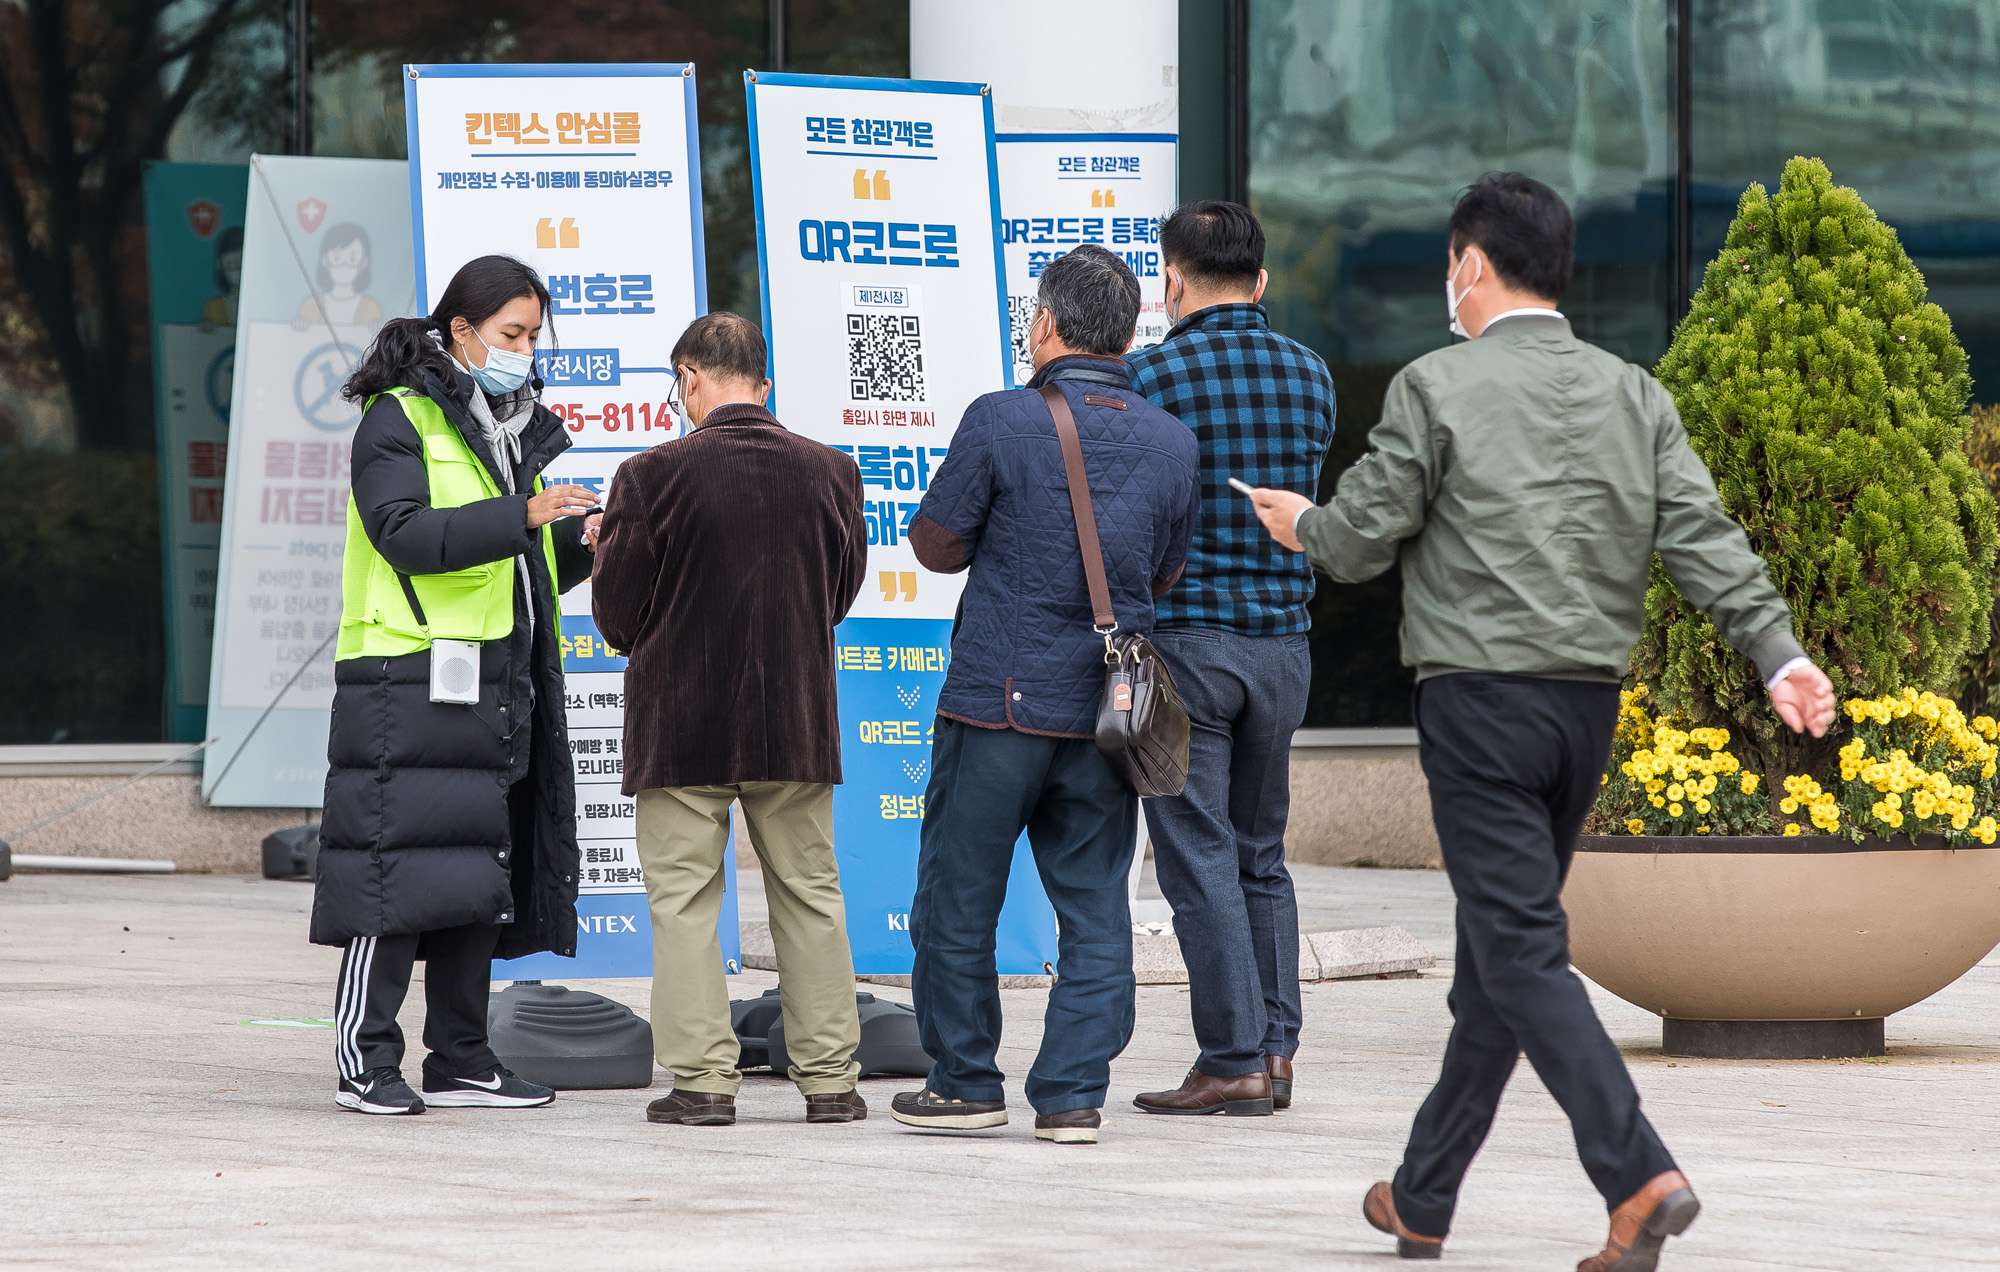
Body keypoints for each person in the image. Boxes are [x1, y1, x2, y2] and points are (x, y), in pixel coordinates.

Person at [1246, 174, 1836, 1269]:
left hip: (1477, 702)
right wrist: (1778, 652)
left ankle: (1636, 1175)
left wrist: (1302, 524)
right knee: (1493, 968)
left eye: (1446, 266)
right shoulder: (1631, 394)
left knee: (1517, 952)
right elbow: (1702, 537)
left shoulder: (1433, 385)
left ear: (1470, 265)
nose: (1444, 285)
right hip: (1583, 710)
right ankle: (1420, 1200)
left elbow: (1359, 541)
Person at [895, 244, 1201, 1146]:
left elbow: (936, 546)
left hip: (997, 704)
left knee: (959, 902)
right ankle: (1071, 1095)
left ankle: (964, 1083)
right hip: (1110, 716)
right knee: (1096, 910)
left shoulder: (1000, 418)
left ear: (1048, 326)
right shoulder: (1172, 440)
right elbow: (1166, 571)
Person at [312, 254, 602, 1115]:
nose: (524, 350)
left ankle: (462, 1058)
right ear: (461, 332)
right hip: (401, 682)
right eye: (510, 334)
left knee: (477, 874)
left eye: (532, 335)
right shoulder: (396, 419)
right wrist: (524, 514)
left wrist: (586, 545)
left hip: (491, 678)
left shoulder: (506, 432)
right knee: (390, 873)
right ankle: (365, 1059)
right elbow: (405, 534)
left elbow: (514, 563)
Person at [590, 312, 871, 1129]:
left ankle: (704, 1084)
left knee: (683, 902)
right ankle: (831, 1083)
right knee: (812, 895)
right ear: (765, 382)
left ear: (689, 378)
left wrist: (610, 556)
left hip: (683, 723)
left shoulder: (650, 474)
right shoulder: (833, 471)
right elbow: (838, 593)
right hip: (796, 718)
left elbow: (617, 611)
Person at [1125, 200, 1334, 1118]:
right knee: (1262, 855)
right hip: (1284, 648)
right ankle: (1276, 1053)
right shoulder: (1313, 375)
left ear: (1170, 279)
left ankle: (1231, 1056)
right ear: (1259, 282)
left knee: (1195, 852)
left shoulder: (1148, 377)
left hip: (1188, 647)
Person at [297, 223, 385, 328]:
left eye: (352, 259)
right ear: (325, 260)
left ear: (363, 263)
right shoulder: (311, 305)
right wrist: (300, 325)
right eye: (337, 259)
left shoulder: (371, 307)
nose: (343, 265)